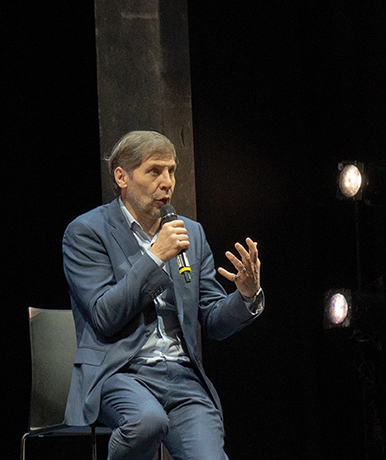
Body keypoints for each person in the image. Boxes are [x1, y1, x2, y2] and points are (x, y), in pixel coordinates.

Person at [61, 130, 263, 460]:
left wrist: (246, 296)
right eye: (154, 171)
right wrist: (155, 257)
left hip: (182, 377)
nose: (167, 182)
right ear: (122, 177)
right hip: (119, 372)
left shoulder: (190, 233)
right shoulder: (86, 232)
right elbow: (104, 316)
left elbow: (213, 321)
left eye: (171, 171)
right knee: (147, 421)